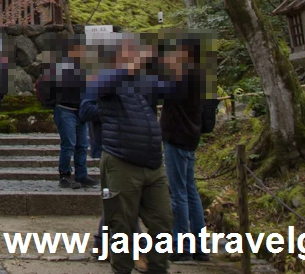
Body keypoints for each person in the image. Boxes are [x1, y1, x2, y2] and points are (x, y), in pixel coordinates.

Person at [80, 35, 183, 274]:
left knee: (163, 222)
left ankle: (157, 267)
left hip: (152, 162)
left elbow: (171, 88)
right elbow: (91, 101)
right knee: (122, 227)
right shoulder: (103, 75)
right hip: (121, 159)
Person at [160, 38, 210, 262]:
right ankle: (199, 245)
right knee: (191, 191)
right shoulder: (200, 77)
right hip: (191, 137)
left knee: (178, 193)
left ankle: (182, 245)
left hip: (177, 137)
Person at [37, 36, 95, 188]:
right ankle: (65, 174)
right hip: (65, 109)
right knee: (69, 144)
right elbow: (44, 84)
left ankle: (82, 175)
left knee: (82, 145)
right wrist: (50, 103)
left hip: (81, 111)